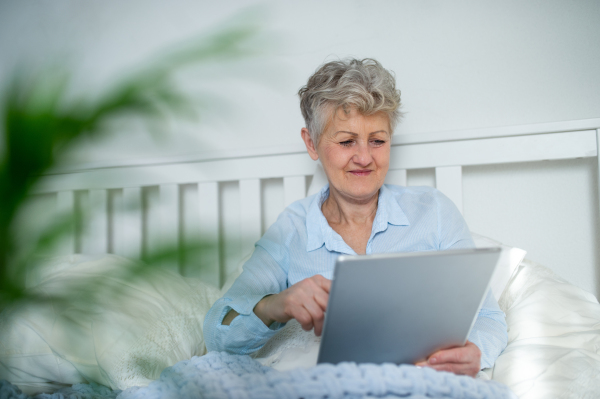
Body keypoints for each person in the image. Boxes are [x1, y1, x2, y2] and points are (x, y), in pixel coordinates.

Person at [203, 58, 508, 377]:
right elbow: (216, 332)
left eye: (377, 140)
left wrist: (476, 350)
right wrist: (274, 305)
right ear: (312, 144)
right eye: (346, 141)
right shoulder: (292, 228)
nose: (364, 158)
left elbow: (488, 317)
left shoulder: (434, 212)